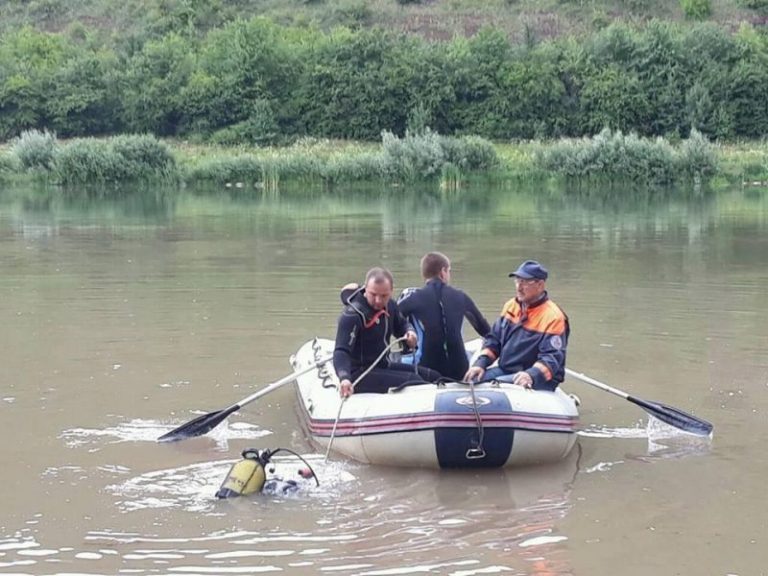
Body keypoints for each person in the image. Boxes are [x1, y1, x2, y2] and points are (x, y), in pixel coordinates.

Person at [334, 267, 441, 397]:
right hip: (359, 373)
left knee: (434, 376)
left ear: (391, 291)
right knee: (415, 382)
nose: (378, 301)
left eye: (384, 296)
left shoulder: (391, 306)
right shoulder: (352, 315)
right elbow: (341, 351)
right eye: (373, 295)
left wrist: (409, 332)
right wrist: (344, 378)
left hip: (383, 365)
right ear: (365, 289)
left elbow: (402, 325)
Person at [464, 260, 569, 391]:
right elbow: (494, 341)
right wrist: (480, 364)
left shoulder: (553, 317)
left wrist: (531, 375)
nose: (519, 287)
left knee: (497, 386)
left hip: (537, 377)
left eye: (525, 282)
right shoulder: (511, 306)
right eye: (517, 281)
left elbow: (551, 358)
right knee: (470, 380)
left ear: (540, 285)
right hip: (506, 370)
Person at [397, 252, 491, 381]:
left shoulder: (414, 298)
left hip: (429, 370)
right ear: (443, 272)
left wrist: (407, 330)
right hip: (460, 370)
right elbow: (484, 330)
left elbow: (392, 318)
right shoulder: (460, 296)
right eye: (449, 271)